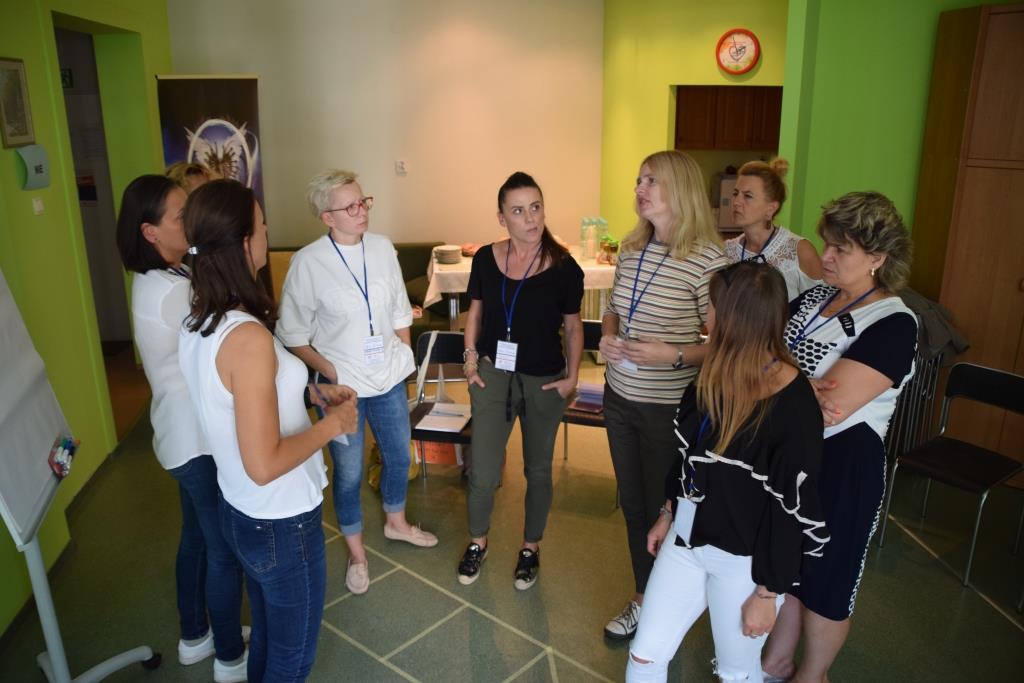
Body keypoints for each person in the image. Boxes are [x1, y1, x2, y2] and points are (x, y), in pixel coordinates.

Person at [178, 179, 358, 682]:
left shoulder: (200, 319)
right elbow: (263, 463)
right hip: (280, 520)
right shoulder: (248, 338)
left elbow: (232, 398)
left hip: (241, 510)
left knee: (267, 641)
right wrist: (332, 426)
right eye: (262, 226)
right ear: (243, 243)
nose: (267, 234)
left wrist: (309, 394)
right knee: (291, 659)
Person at [626, 261, 827, 683]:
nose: (706, 315)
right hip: (685, 543)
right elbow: (686, 459)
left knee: (736, 674)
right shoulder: (712, 376)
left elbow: (789, 511)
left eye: (712, 306)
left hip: (744, 564)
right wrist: (667, 512)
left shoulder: (794, 405)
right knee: (644, 656)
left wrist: (767, 594)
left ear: (735, 319)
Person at [761, 191, 917, 683]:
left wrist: (774, 375)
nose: (824, 257)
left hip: (845, 467)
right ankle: (777, 660)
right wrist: (796, 383)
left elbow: (830, 410)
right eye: (826, 243)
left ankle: (813, 675)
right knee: (787, 566)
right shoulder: (815, 297)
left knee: (827, 583)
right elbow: (753, 349)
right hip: (789, 455)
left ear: (878, 258)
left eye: (840, 249)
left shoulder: (894, 322)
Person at [278, 169, 438, 598]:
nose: (361, 211)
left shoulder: (382, 247)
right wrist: (329, 372)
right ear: (327, 218)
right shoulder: (308, 263)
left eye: (363, 201)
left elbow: (400, 309)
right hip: (342, 388)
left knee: (398, 456)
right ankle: (357, 553)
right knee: (348, 473)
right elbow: (292, 334)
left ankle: (396, 522)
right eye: (349, 207)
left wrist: (402, 356)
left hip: (387, 377)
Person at [114, 175, 248, 682]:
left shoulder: (166, 276)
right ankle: (230, 658)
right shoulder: (175, 291)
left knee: (196, 540)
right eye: (179, 215)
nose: (189, 220)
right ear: (150, 232)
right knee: (222, 551)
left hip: (179, 435)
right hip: (196, 442)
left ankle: (195, 637)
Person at [599, 150, 730, 639]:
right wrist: (607, 336)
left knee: (664, 507)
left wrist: (672, 354)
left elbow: (724, 345)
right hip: (619, 397)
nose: (640, 188)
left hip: (667, 409)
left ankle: (661, 606)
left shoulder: (709, 260)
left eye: (651, 180)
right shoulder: (632, 247)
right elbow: (612, 309)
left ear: (681, 188)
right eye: (639, 179)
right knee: (633, 504)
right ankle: (644, 595)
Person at [458, 171, 584, 590]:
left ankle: (531, 547)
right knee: (482, 470)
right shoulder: (485, 259)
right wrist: (470, 360)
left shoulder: (565, 267)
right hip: (493, 373)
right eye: (518, 210)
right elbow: (475, 313)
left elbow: (573, 327)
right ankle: (478, 541)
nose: (530, 218)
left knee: (539, 469)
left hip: (544, 378)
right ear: (502, 218)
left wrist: (572, 378)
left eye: (536, 207)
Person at [724, 158, 822, 300]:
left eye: (748, 196)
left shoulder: (799, 250)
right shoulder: (726, 251)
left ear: (771, 208)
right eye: (735, 193)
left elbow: (823, 304)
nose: (736, 202)